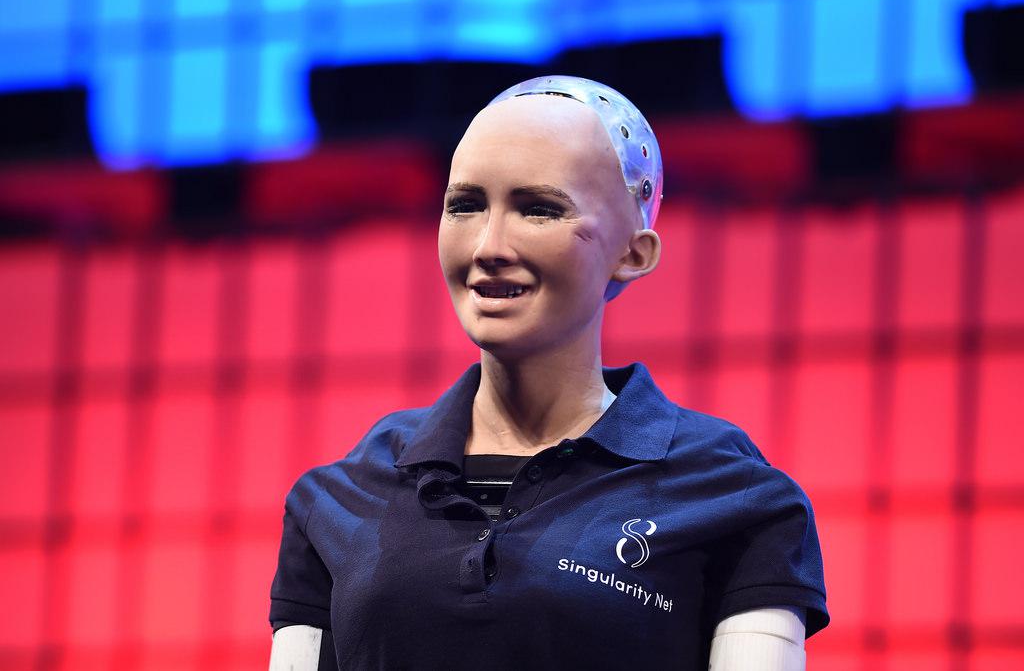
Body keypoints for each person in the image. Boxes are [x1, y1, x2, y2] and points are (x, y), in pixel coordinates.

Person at [268, 75, 828, 671]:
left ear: (634, 253)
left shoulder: (731, 494)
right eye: (465, 205)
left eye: (538, 210)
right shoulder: (339, 499)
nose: (488, 245)